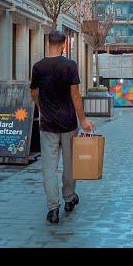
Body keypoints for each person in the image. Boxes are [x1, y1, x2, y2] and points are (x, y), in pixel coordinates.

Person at [30, 30, 94, 224]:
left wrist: (42, 109)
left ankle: (53, 208)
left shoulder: (38, 67)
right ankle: (69, 198)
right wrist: (83, 120)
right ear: (64, 44)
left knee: (49, 167)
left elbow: (34, 92)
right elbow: (75, 95)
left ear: (48, 43)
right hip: (68, 123)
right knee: (69, 164)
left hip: (47, 124)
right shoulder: (70, 65)